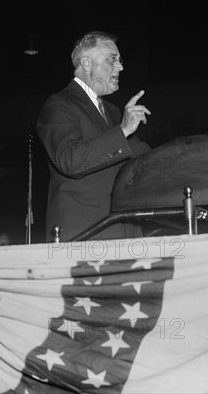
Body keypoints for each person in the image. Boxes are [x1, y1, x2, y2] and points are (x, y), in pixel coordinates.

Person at [36, 31, 151, 242]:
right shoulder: (59, 105)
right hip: (85, 234)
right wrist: (123, 130)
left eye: (120, 61)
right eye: (112, 60)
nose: (120, 67)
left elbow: (144, 157)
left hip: (124, 231)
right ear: (87, 63)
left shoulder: (113, 112)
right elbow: (70, 160)